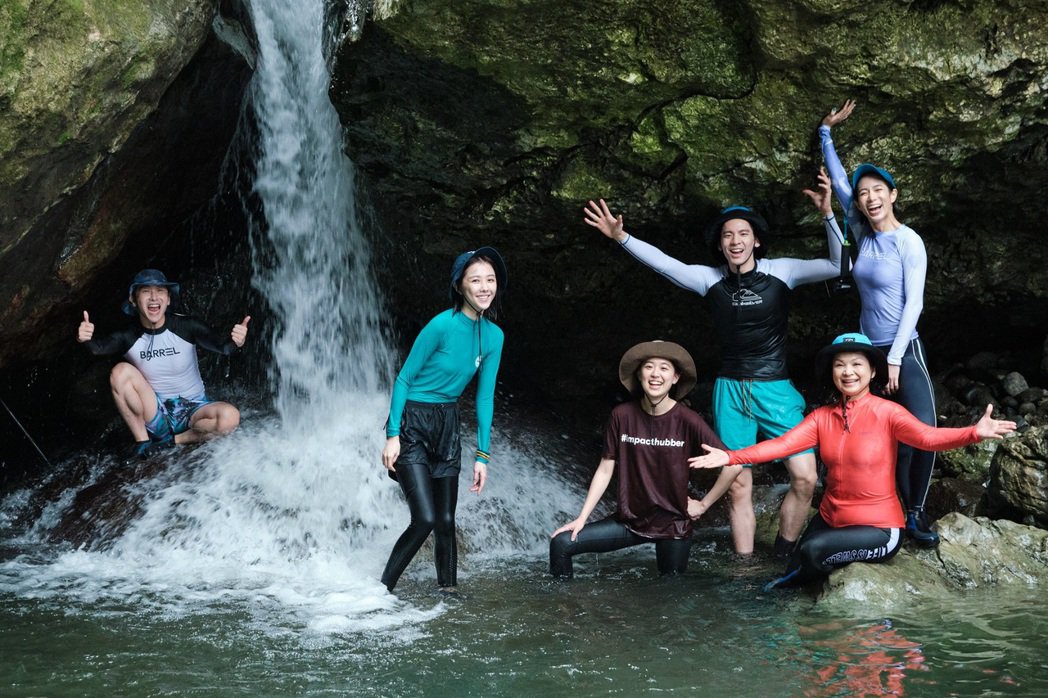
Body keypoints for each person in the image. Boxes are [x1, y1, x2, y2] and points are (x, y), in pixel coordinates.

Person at [584, 196, 844, 558]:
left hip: (775, 388)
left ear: (756, 241)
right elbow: (665, 265)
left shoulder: (781, 271)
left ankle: (784, 556)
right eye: (727, 235)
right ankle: (745, 568)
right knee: (738, 484)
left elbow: (837, 264)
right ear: (720, 244)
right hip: (731, 391)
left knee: (805, 476)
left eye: (743, 234)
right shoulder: (710, 280)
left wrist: (828, 214)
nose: (735, 241)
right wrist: (621, 237)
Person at [690, 333, 1016, 590]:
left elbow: (927, 438)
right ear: (832, 373)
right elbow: (780, 445)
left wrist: (974, 432)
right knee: (794, 562)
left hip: (879, 530)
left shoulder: (887, 413)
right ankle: (782, 602)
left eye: (857, 364)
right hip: (833, 518)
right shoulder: (821, 417)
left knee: (810, 553)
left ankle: (775, 597)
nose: (848, 372)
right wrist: (731, 456)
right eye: (840, 365)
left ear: (872, 371)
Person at [817, 99, 941, 546]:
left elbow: (916, 304)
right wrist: (826, 133)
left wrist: (893, 357)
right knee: (875, 434)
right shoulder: (860, 227)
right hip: (868, 351)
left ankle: (917, 513)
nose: (868, 197)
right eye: (863, 191)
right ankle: (876, 506)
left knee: (921, 432)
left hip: (902, 349)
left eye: (877, 190)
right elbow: (836, 179)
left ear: (893, 194)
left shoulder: (909, 241)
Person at [549, 340, 743, 578]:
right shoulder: (621, 415)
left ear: (675, 378)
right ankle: (565, 609)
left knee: (669, 596)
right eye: (649, 366)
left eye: (664, 368)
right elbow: (605, 469)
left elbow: (733, 464)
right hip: (629, 522)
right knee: (561, 543)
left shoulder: (688, 420)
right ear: (639, 374)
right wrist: (582, 518)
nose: (655, 374)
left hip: (673, 526)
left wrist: (703, 505)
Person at [380, 247, 507, 593]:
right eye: (476, 280)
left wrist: (483, 456)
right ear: (460, 286)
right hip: (413, 422)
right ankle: (380, 591)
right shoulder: (441, 324)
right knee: (425, 519)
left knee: (447, 521)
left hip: (447, 424)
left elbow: (484, 398)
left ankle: (448, 592)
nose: (484, 287)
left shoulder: (494, 337)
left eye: (490, 280)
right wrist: (393, 435)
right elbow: (404, 378)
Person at [77, 269, 250, 457]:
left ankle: (174, 440)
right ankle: (143, 442)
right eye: (145, 291)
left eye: (160, 291)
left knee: (230, 418)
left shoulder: (186, 326)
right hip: (156, 412)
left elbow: (223, 348)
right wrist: (85, 339)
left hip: (194, 409)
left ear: (168, 299)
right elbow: (98, 348)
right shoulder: (128, 336)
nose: (153, 297)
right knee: (120, 372)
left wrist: (236, 342)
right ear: (133, 301)